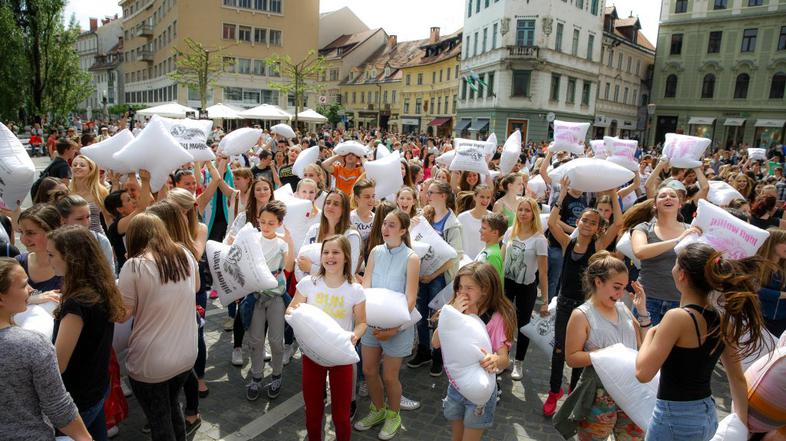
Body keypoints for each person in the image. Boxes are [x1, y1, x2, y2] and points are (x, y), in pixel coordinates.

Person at [636, 243, 766, 441]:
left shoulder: (676, 318)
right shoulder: (722, 320)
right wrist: (741, 423)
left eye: (675, 264)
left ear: (682, 275)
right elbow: (738, 378)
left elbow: (643, 373)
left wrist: (652, 330)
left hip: (674, 418)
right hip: (705, 414)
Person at [544, 177, 622, 417]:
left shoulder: (598, 247)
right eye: (585, 220)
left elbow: (619, 223)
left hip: (585, 309)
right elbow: (551, 221)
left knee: (579, 352)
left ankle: (572, 393)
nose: (588, 224)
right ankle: (554, 392)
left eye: (593, 222)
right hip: (566, 304)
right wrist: (563, 194)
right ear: (578, 222)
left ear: (598, 227)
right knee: (559, 350)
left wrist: (612, 192)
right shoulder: (568, 243)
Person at [117, 213, 200, 441]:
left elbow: (121, 315)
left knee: (160, 421)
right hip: (185, 355)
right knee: (172, 407)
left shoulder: (134, 266)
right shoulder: (184, 254)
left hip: (151, 362)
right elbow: (196, 287)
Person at [556, 252, 648, 440]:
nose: (620, 293)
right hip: (599, 394)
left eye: (623, 288)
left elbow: (645, 346)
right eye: (616, 287)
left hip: (631, 392)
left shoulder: (623, 309)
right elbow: (572, 358)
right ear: (598, 282)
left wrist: (643, 311)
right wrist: (607, 354)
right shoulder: (582, 315)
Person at [0, 258, 93, 441]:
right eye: (24, 285)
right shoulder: (32, 345)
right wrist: (85, 438)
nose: (30, 290)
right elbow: (58, 405)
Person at [48, 226, 125, 441]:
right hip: (97, 386)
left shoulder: (76, 303)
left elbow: (59, 363)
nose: (49, 260)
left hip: (78, 396)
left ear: (71, 258)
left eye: (52, 254)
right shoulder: (100, 287)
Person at [288, 235, 367, 441]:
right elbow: (290, 310)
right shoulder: (308, 283)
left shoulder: (355, 290)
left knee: (341, 417)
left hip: (341, 358)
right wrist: (297, 318)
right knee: (313, 413)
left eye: (336, 252)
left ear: (346, 257)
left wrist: (355, 336)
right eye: (326, 252)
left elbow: (362, 322)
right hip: (312, 356)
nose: (330, 257)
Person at [355, 210, 421, 439]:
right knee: (368, 370)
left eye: (392, 225)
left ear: (403, 231)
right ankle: (377, 410)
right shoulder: (375, 251)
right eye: (384, 223)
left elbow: (410, 299)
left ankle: (394, 415)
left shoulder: (412, 258)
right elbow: (367, 285)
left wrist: (393, 329)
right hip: (372, 324)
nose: (385, 228)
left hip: (398, 328)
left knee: (390, 377)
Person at [432, 262, 516, 441]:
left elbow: (504, 359)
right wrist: (451, 315)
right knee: (456, 437)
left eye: (469, 288)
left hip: (481, 392)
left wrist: (494, 359)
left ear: (484, 289)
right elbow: (436, 343)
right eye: (460, 287)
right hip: (456, 387)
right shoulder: (455, 311)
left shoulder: (496, 318)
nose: (462, 292)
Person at [408, 181, 463, 376]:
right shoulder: (425, 215)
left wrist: (433, 274)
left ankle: (438, 355)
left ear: (443, 196)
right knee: (420, 315)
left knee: (439, 317)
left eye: (431, 192)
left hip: (440, 278)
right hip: (421, 274)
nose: (426, 194)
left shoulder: (453, 224)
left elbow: (455, 255)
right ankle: (424, 350)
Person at [243, 201, 295, 401]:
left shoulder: (282, 242)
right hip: (255, 295)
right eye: (262, 222)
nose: (265, 226)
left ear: (279, 223)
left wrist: (290, 243)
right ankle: (256, 377)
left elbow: (288, 268)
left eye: (271, 223)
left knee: (276, 339)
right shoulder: (252, 239)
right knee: (255, 339)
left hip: (276, 294)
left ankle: (276, 375)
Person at [631, 185, 699, 325]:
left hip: (681, 301)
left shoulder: (691, 230)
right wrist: (678, 240)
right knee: (643, 345)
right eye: (662, 196)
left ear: (680, 204)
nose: (668, 198)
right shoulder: (642, 228)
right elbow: (640, 252)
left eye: (673, 196)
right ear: (655, 205)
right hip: (647, 299)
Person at [503, 197, 549, 381]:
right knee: (504, 321)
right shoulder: (509, 232)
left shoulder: (539, 239)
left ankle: (519, 361)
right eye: (520, 209)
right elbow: (502, 259)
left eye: (527, 210)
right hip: (507, 284)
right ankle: (503, 357)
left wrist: (545, 300)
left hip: (527, 286)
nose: (523, 213)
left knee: (523, 326)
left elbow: (544, 273)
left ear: (534, 214)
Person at [298, 191, 362, 277]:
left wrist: (311, 268)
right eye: (327, 202)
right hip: (310, 285)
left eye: (336, 204)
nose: (330, 206)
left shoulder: (351, 236)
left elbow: (349, 272)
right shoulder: (314, 229)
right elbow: (301, 260)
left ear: (344, 210)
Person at [104, 170, 152, 273]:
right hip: (131, 271)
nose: (134, 201)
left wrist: (129, 177)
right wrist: (145, 181)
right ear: (120, 209)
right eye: (129, 200)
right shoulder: (117, 226)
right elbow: (142, 208)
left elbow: (147, 201)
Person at [55, 194, 114, 270]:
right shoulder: (54, 244)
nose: (86, 222)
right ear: (63, 220)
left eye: (88, 217)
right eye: (79, 219)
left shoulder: (101, 241)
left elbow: (110, 275)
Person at [16, 204, 63, 294]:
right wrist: (32, 299)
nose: (23, 239)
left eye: (30, 233)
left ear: (52, 231)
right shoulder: (18, 263)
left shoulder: (71, 268)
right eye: (21, 232)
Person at [756, 228, 786, 336]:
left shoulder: (783, 268)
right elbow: (755, 289)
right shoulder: (757, 264)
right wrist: (781, 295)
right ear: (772, 243)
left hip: (782, 322)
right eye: (784, 242)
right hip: (759, 319)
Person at [69, 155, 109, 234]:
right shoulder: (68, 192)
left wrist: (112, 241)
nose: (77, 167)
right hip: (74, 237)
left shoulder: (100, 191)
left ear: (91, 169)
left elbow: (108, 219)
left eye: (82, 165)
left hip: (97, 236)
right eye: (74, 165)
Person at [457, 185, 494, 259]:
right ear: (475, 197)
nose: (485, 200)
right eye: (482, 197)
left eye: (488, 197)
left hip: (484, 262)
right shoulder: (462, 218)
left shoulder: (493, 217)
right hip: (466, 263)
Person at [476, 212, 507, 282]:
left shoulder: (492, 255)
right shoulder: (488, 250)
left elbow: (490, 284)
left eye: (483, 228)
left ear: (495, 233)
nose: (480, 230)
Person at [350, 179, 376, 247]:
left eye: (373, 196)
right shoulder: (349, 218)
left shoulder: (377, 218)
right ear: (356, 198)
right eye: (367, 197)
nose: (371, 200)